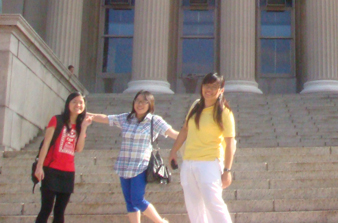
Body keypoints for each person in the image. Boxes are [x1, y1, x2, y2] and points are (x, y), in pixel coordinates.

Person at [89, 90, 180, 223]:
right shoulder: (127, 118)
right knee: (130, 202)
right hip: (124, 165)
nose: (140, 104)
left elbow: (172, 133)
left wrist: (192, 138)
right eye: (138, 101)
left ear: (150, 105)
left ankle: (160, 221)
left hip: (140, 166)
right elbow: (106, 118)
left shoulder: (154, 121)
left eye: (144, 102)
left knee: (137, 199)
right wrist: (86, 115)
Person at [169, 72, 236, 223]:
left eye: (214, 87)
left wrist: (227, 170)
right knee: (194, 207)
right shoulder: (196, 106)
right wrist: (173, 151)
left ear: (221, 90)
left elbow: (230, 143)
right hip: (189, 163)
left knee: (214, 204)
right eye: (206, 85)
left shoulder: (224, 112)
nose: (209, 90)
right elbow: (185, 130)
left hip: (209, 163)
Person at [33, 92, 93, 223]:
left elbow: (79, 149)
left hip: (68, 172)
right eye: (74, 102)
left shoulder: (79, 125)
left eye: (81, 103)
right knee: (46, 209)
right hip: (50, 169)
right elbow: (46, 143)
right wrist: (39, 167)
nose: (78, 105)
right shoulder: (57, 120)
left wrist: (83, 129)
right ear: (68, 104)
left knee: (60, 212)